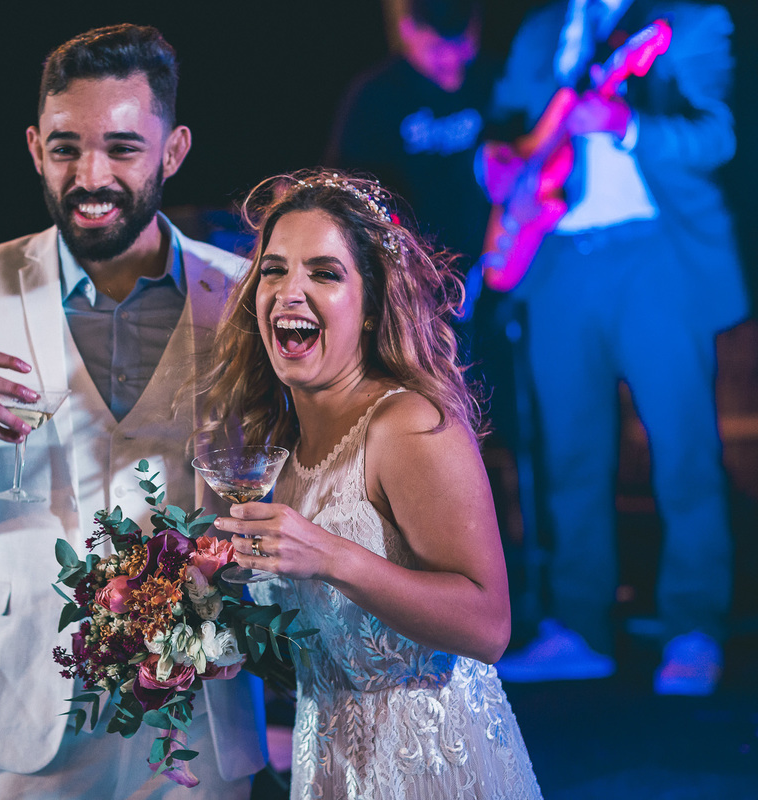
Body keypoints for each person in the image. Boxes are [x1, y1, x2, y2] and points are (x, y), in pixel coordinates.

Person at [0, 24, 264, 799]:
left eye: (122, 148)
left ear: (172, 151)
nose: (91, 175)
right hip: (20, 706)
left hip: (194, 711)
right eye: (68, 147)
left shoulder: (243, 297)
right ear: (36, 148)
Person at [202, 169, 542, 799]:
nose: (289, 291)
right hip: (326, 764)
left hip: (430, 764)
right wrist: (208, 622)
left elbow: (489, 626)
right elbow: (325, 646)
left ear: (370, 308)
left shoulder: (407, 424)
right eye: (273, 270)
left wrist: (330, 556)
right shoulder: (283, 446)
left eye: (325, 274)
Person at [485, 0, 747, 696]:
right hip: (558, 256)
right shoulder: (542, 29)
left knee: (683, 449)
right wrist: (501, 165)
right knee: (569, 451)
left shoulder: (688, 21)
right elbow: (505, 128)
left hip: (654, 254)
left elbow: (717, 137)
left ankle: (694, 625)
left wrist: (626, 124)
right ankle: (579, 626)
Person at [324, 0, 494, 283]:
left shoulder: (493, 80)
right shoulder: (375, 96)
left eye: (462, 46)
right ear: (407, 30)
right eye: (437, 49)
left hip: (487, 266)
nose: (452, 61)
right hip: (410, 272)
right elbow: (344, 188)